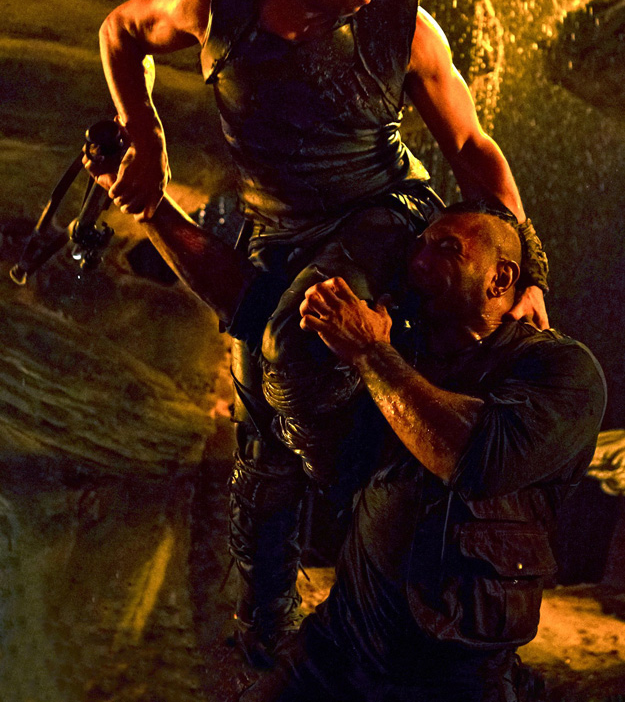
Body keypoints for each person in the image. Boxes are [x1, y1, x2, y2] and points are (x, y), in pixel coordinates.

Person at [96, 0, 549, 661]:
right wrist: (145, 134)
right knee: (259, 435)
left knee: (293, 340)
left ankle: (370, 498)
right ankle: (265, 623)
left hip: (380, 215)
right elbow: (119, 33)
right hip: (276, 229)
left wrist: (530, 269)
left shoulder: (405, 26)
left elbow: (473, 148)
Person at [236, 205, 606, 702]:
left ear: (501, 278)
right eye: (419, 246)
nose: (419, 261)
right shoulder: (404, 349)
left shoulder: (560, 369)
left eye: (448, 249)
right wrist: (156, 216)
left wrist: (370, 352)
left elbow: (474, 457)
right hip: (338, 648)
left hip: (455, 677)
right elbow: (249, 307)